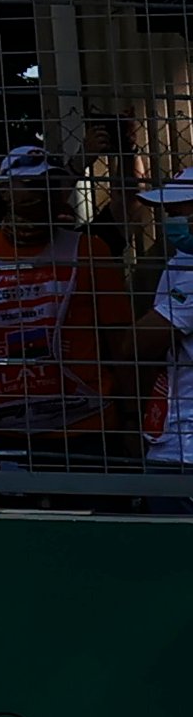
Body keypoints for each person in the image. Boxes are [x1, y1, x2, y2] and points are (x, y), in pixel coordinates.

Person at [0, 145, 137, 465]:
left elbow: (120, 343)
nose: (42, 193)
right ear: (4, 190)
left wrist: (131, 416)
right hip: (0, 428)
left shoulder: (88, 250)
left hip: (85, 426)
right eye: (31, 184)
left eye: (50, 184)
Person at [131, 165, 193, 502]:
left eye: (178, 211)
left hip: (184, 453)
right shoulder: (183, 261)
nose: (170, 221)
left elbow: (136, 345)